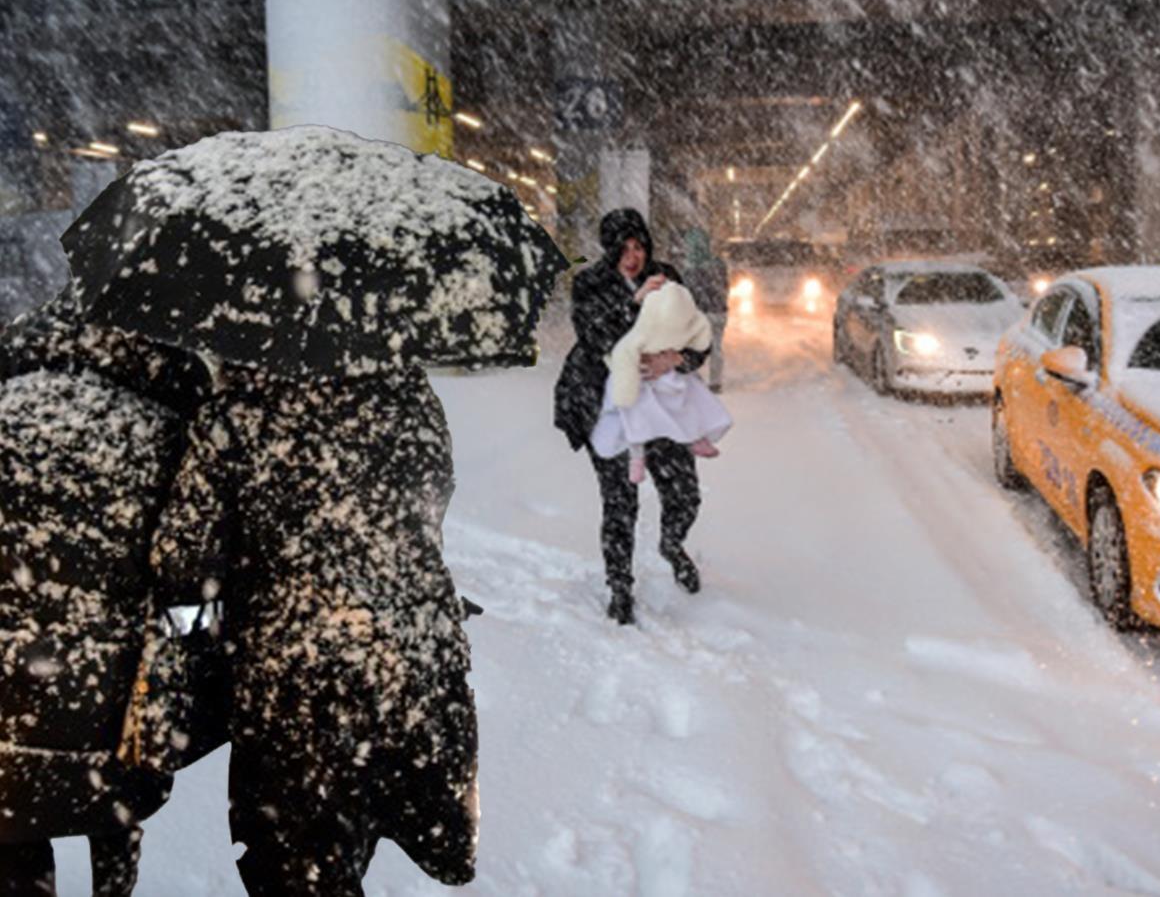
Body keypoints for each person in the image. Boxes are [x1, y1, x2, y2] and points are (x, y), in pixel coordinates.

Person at [150, 364, 478, 896]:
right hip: (414, 662)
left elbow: (184, 557)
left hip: (300, 674)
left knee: (297, 864)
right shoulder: (412, 396)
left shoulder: (238, 414)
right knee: (350, 840)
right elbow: (429, 504)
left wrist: (203, 628)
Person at [0, 290, 211, 897]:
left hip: (11, 689)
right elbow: (189, 565)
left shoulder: (9, 395)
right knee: (113, 809)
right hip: (116, 687)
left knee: (13, 830)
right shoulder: (168, 425)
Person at [553, 208, 710, 626]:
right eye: (623, 248)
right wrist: (633, 302)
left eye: (638, 246)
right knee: (620, 503)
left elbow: (696, 330)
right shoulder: (590, 283)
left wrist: (678, 358)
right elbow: (595, 334)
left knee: (685, 494)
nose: (632, 257)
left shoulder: (667, 276)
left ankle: (672, 544)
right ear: (609, 250)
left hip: (662, 408)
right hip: (608, 408)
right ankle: (619, 586)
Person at [589, 280, 733, 484]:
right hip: (636, 376)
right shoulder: (619, 305)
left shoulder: (673, 294)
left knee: (686, 400)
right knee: (634, 417)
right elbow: (603, 339)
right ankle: (637, 457)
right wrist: (626, 381)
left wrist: (678, 359)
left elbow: (699, 341)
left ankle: (694, 436)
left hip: (671, 374)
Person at [680, 228, 729, 392]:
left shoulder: (688, 268)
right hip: (718, 311)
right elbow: (725, 286)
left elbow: (687, 292)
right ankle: (715, 382)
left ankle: (690, 379)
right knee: (716, 348)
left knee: (690, 347)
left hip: (697, 313)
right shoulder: (719, 264)